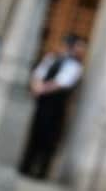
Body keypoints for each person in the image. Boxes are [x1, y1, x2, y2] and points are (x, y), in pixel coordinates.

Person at [19, 34, 86, 179]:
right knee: (35, 133)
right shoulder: (51, 58)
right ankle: (26, 165)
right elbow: (38, 74)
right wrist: (36, 86)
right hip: (42, 103)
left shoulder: (74, 66)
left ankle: (41, 171)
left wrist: (42, 89)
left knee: (48, 138)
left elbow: (63, 83)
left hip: (56, 106)